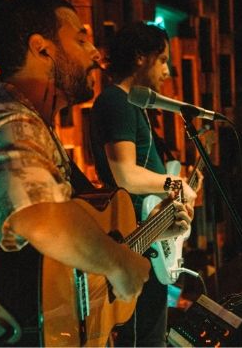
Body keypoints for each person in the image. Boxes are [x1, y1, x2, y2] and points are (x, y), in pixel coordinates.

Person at [0, 0, 189, 347]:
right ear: (42, 49)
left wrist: (150, 232)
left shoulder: (34, 129)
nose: (95, 53)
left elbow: (59, 258)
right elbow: (37, 216)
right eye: (80, 39)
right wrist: (117, 262)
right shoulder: (8, 124)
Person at [90, 22, 199, 346]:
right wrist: (176, 183)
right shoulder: (117, 101)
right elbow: (124, 174)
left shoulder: (132, 106)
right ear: (140, 57)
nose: (167, 71)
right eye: (162, 60)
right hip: (136, 239)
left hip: (149, 239)